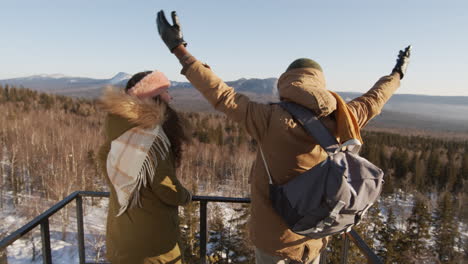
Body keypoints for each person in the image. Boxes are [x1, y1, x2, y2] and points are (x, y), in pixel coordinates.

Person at [156, 10, 411, 264]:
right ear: (319, 81)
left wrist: (179, 49)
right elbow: (375, 99)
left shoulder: (267, 117)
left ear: (287, 82)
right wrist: (397, 73)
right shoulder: (345, 116)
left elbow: (222, 94)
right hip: (314, 235)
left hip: (273, 240)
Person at [98, 70, 192, 264]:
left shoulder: (117, 132)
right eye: (165, 92)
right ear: (152, 97)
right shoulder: (149, 138)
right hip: (152, 243)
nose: (170, 97)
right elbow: (167, 189)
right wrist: (186, 196)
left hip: (121, 235)